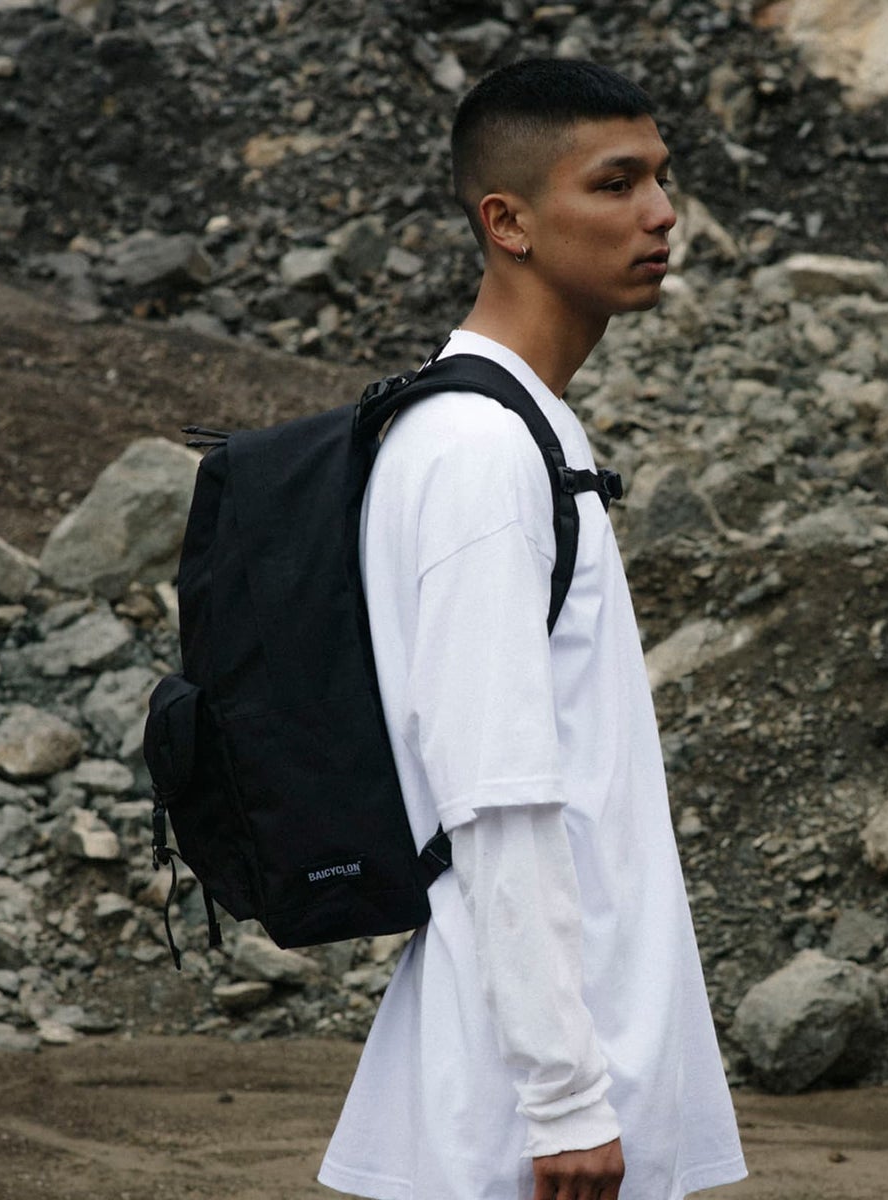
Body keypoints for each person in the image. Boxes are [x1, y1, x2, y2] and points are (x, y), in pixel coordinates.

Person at [318, 58, 747, 1200]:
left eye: (660, 177)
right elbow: (493, 791)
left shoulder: (522, 429)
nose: (662, 212)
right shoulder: (479, 452)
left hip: (569, 1069)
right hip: (527, 1114)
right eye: (615, 183)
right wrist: (565, 1101)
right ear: (506, 222)